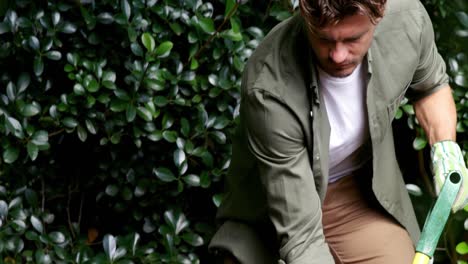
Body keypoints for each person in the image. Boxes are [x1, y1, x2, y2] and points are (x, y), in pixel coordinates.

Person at [209, 0, 468, 263]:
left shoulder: (406, 20)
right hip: (273, 204)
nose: (338, 55)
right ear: (303, 13)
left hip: (351, 193)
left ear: (379, 15)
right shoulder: (269, 87)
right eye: (324, 39)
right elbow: (303, 239)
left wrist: (445, 149)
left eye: (353, 38)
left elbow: (431, 86)